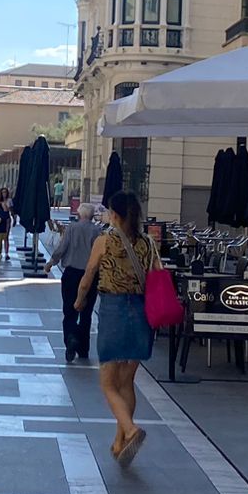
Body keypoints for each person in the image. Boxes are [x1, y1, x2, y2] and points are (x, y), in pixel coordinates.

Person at [77, 190, 156, 467]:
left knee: (108, 383)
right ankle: (120, 441)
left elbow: (88, 275)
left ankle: (131, 430)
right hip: (141, 312)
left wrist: (79, 300)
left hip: (113, 312)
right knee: (126, 382)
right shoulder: (148, 242)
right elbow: (157, 274)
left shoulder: (105, 241)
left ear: (116, 214)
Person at [49, 204, 106, 364]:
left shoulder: (72, 228)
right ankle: (83, 349)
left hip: (72, 274)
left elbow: (62, 248)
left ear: (80, 214)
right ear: (92, 215)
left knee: (69, 310)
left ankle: (71, 338)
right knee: (86, 313)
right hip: (90, 275)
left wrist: (52, 261)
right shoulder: (97, 232)